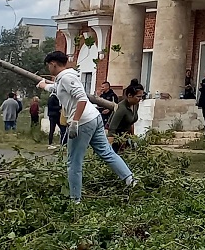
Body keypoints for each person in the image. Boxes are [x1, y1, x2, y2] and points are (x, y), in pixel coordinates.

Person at [37, 50, 135, 202]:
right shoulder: (65, 78)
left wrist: (74, 122)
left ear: (53, 64)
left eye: (49, 66)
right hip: (94, 118)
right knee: (106, 152)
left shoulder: (67, 78)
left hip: (83, 122)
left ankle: (75, 200)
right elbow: (59, 90)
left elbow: (82, 99)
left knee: (74, 162)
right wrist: (45, 86)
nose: (49, 69)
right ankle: (130, 179)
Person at [108, 85, 144, 152]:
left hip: (127, 137)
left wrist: (132, 138)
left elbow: (131, 123)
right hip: (117, 138)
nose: (140, 99)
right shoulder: (121, 108)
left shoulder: (135, 105)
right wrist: (109, 147)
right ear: (130, 95)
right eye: (138, 96)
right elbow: (112, 128)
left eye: (142, 96)